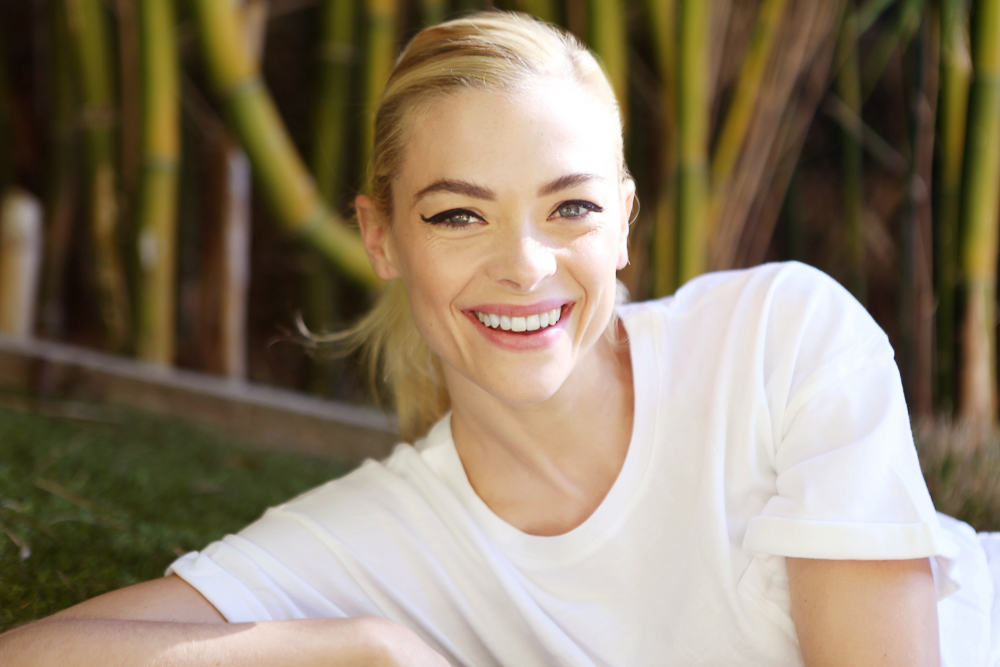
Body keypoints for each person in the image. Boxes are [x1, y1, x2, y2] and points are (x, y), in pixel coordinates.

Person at [1, 10, 998, 666]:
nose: (523, 265)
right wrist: (364, 647)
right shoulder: (385, 539)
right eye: (458, 215)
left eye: (569, 208)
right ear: (381, 239)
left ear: (623, 223)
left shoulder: (778, 338)